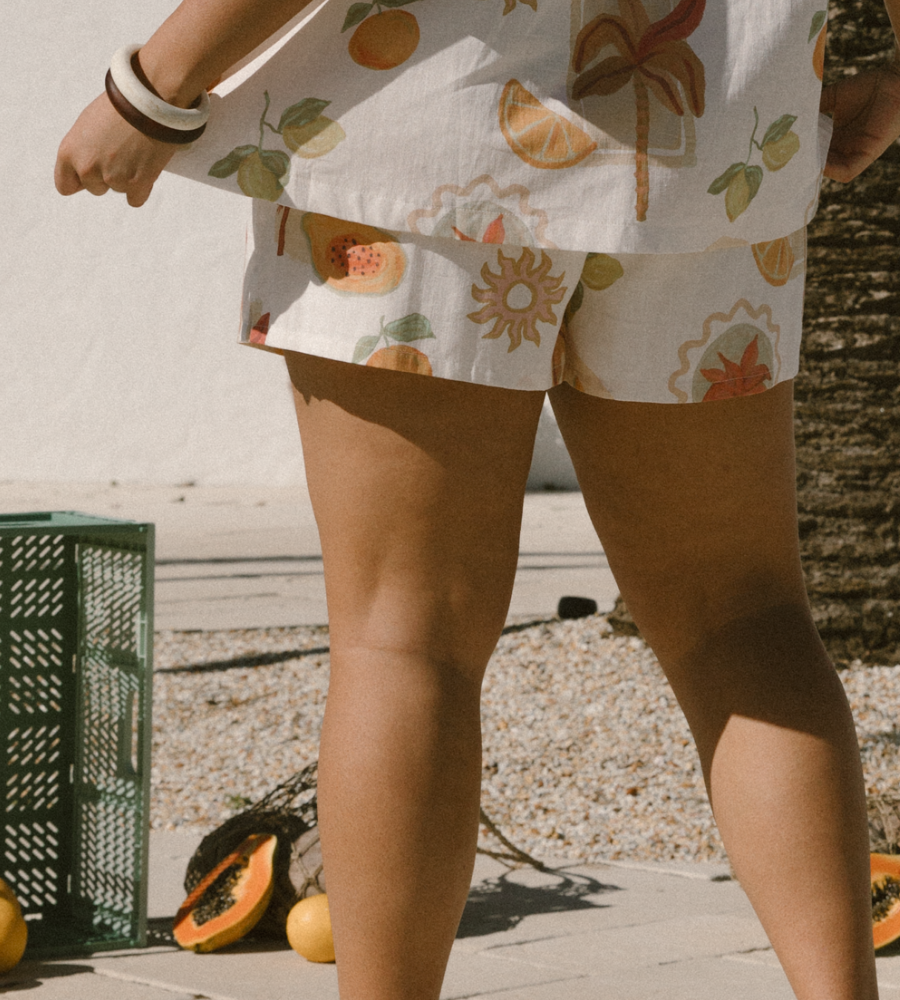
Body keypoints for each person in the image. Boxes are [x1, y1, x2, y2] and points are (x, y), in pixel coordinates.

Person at [56, 2, 900, 997]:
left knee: (403, 638)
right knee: (743, 619)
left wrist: (153, 88)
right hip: (712, 146)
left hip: (421, 143)